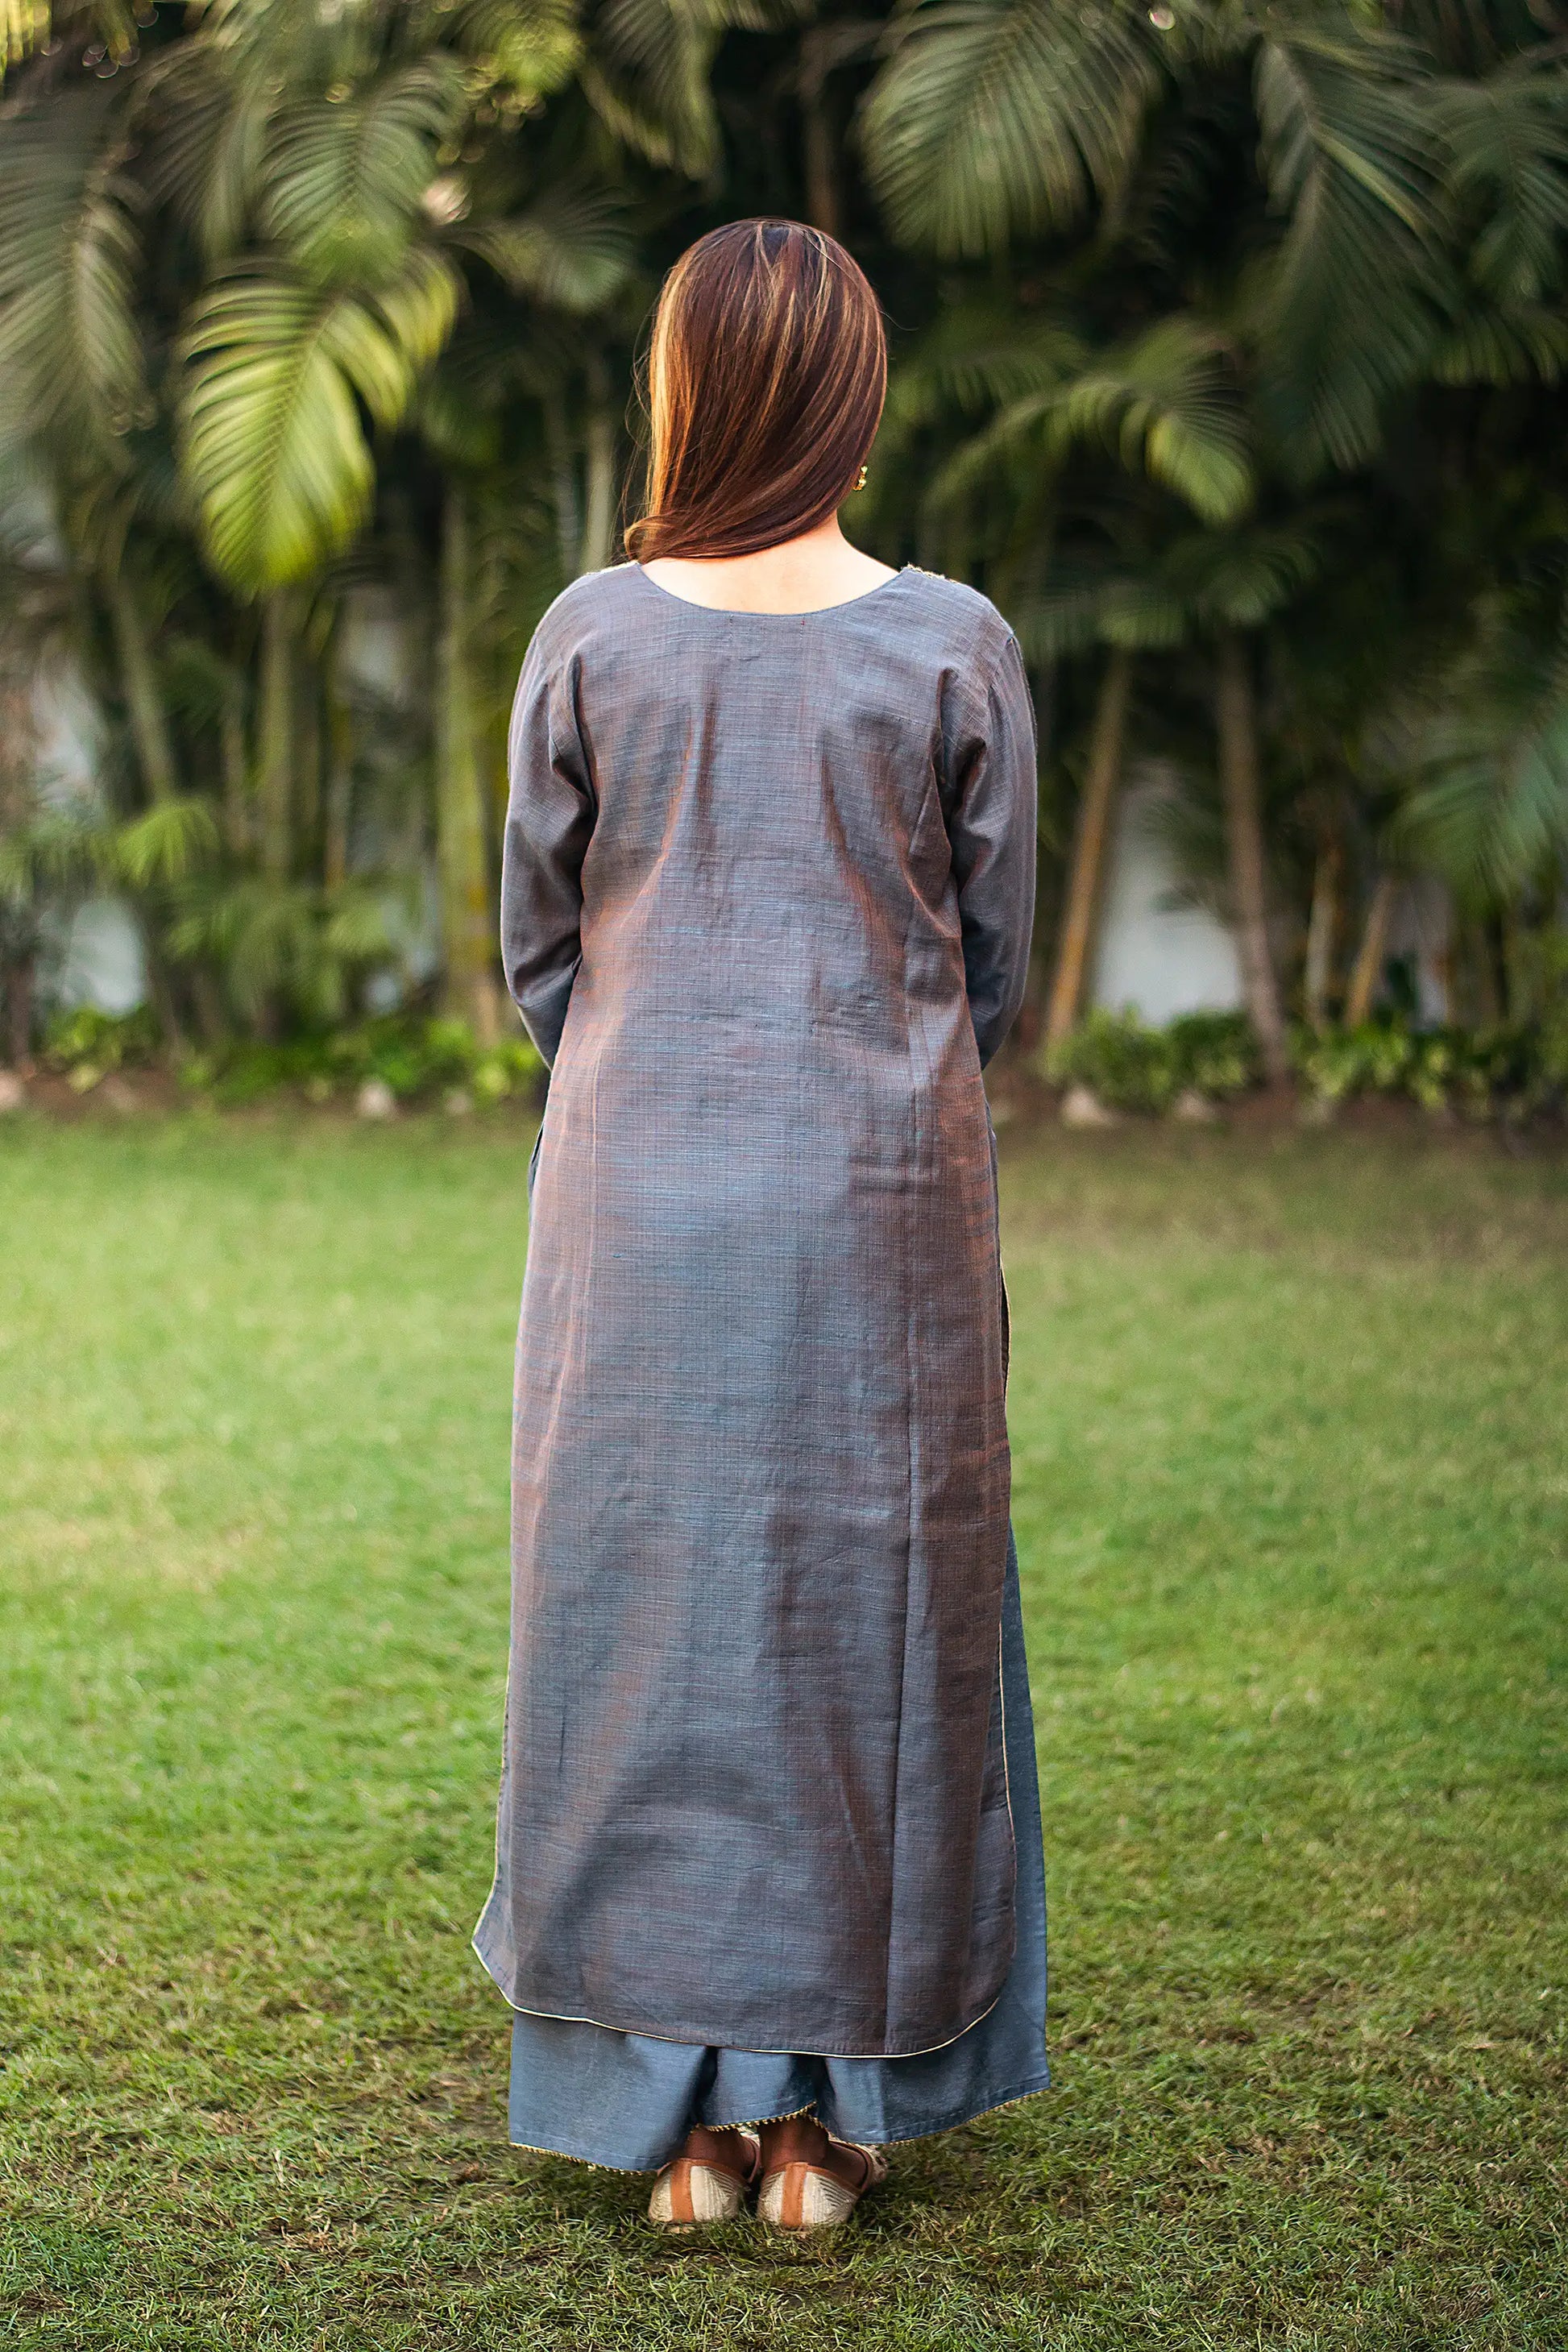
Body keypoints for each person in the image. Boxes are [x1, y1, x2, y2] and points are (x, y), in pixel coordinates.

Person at [473, 218, 1047, 2234]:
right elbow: (988, 962)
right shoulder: (950, 638)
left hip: (636, 1207)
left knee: (645, 1631)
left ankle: (680, 2134)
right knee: (866, 1631)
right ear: (857, 401)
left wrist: (657, 1071)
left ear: (686, 390)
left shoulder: (590, 632)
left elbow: (539, 954)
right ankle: (827, 2126)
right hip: (877, 1212)